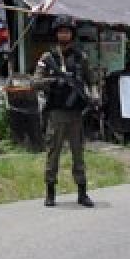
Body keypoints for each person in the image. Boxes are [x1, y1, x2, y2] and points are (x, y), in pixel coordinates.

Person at [35, 15, 95, 207]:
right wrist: (53, 82)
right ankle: (50, 192)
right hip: (56, 114)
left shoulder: (81, 57)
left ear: (72, 34)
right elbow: (34, 82)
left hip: (76, 114)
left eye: (67, 31)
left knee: (78, 154)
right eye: (61, 31)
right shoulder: (48, 58)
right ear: (56, 33)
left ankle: (82, 192)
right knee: (53, 153)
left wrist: (94, 97)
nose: (64, 34)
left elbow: (91, 81)